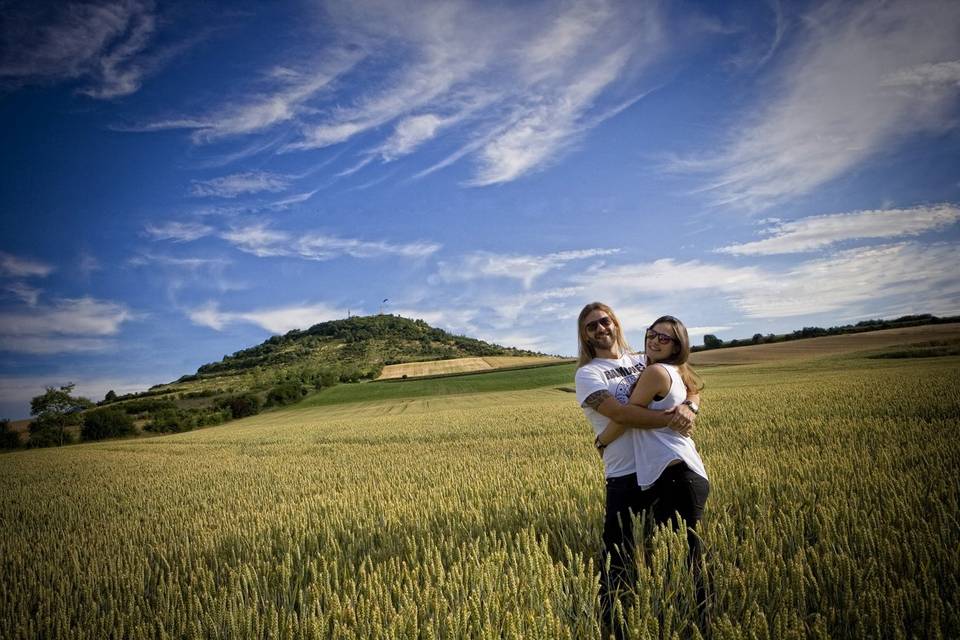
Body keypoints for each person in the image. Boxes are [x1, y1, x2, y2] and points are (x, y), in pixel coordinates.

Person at [574, 303, 708, 635]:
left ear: (615, 323)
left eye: (604, 321)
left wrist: (689, 408)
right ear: (585, 336)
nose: (600, 329)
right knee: (617, 559)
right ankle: (615, 628)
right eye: (591, 327)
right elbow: (621, 414)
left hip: (660, 471)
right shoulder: (588, 374)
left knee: (671, 554)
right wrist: (671, 419)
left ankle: (683, 622)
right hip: (623, 475)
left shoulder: (642, 359)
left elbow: (688, 384)